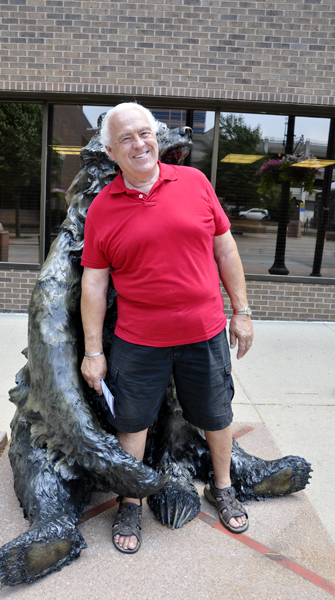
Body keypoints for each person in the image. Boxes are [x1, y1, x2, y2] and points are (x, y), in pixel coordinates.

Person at [80, 102, 254, 554]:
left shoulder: (195, 183)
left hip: (204, 333)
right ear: (111, 151)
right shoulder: (102, 207)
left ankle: (222, 485)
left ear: (156, 136)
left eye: (145, 133)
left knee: (217, 417)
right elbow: (94, 282)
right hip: (138, 342)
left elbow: (226, 251)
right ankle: (131, 501)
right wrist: (94, 350)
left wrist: (242, 311)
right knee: (132, 424)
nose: (139, 144)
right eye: (126, 139)